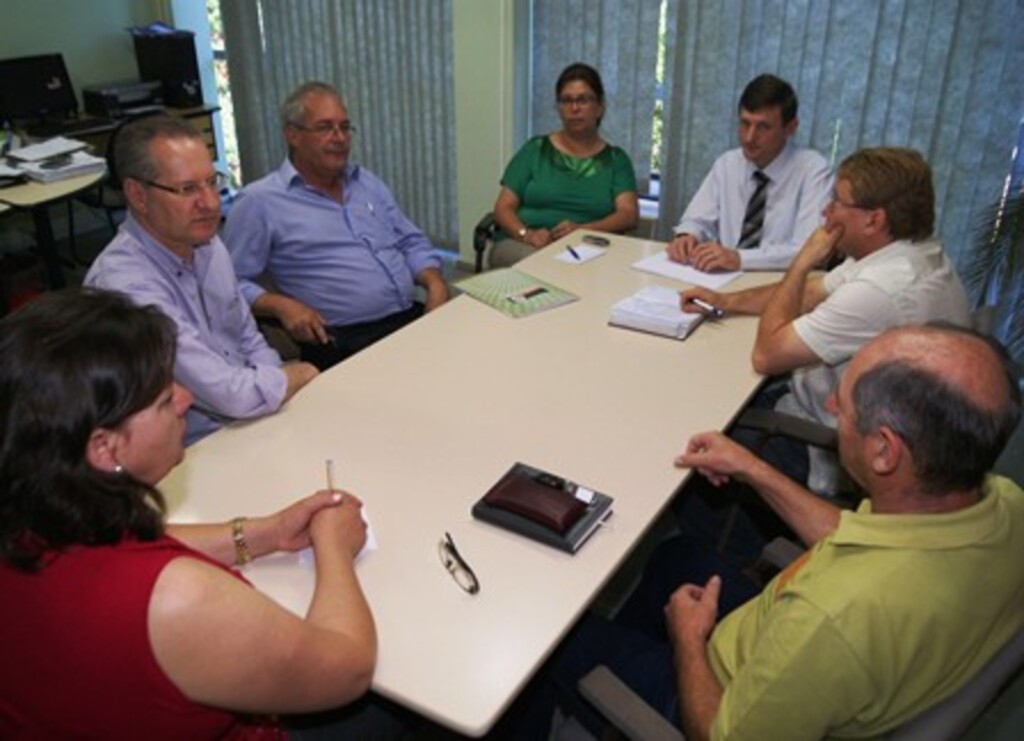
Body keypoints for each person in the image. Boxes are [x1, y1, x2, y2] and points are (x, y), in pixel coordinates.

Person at [511, 325, 1024, 739]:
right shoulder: (1002, 505)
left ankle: (605, 694)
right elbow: (861, 539)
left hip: (725, 697)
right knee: (677, 556)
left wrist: (688, 640)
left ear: (885, 451)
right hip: (782, 640)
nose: (830, 409)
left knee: (547, 641)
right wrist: (751, 467)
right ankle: (617, 677)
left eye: (844, 405)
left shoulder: (836, 619)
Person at [0, 288, 399, 739]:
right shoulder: (178, 599)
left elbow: (118, 547)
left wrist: (264, 534)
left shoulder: (39, 516)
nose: (186, 399)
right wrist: (334, 547)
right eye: (163, 400)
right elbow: (346, 669)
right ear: (104, 447)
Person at [677, 147, 971, 568]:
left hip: (828, 439)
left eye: (837, 201)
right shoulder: (909, 254)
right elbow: (816, 293)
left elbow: (767, 354)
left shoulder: (882, 291)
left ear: (875, 219)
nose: (826, 211)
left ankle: (713, 562)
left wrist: (801, 262)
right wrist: (725, 300)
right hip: (885, 429)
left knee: (692, 435)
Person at [85, 115, 318, 445]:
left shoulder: (207, 244)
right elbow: (227, 396)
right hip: (184, 452)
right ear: (137, 195)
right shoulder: (124, 287)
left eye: (212, 182)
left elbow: (247, 338)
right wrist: (297, 374)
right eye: (187, 189)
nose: (210, 203)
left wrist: (276, 382)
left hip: (255, 418)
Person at [224, 81, 449, 371]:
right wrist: (280, 305)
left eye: (345, 127)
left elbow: (409, 240)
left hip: (409, 316)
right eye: (325, 127)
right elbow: (230, 285)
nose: (339, 137)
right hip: (345, 339)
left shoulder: (365, 181)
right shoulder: (259, 202)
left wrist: (435, 283)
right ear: (292, 135)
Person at [666, 73, 832, 272]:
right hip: (723, 278)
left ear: (790, 128)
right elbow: (697, 220)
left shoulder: (814, 170)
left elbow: (811, 250)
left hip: (780, 283)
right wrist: (687, 236)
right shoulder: (728, 164)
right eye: (745, 123)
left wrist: (740, 258)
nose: (749, 137)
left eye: (763, 127)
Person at [488, 62, 639, 268]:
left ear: (600, 106)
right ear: (558, 108)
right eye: (566, 101)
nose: (574, 108)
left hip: (588, 248)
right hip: (525, 245)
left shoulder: (616, 160)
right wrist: (527, 234)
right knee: (547, 267)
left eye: (583, 100)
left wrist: (583, 230)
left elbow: (628, 215)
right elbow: (502, 208)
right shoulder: (535, 149)